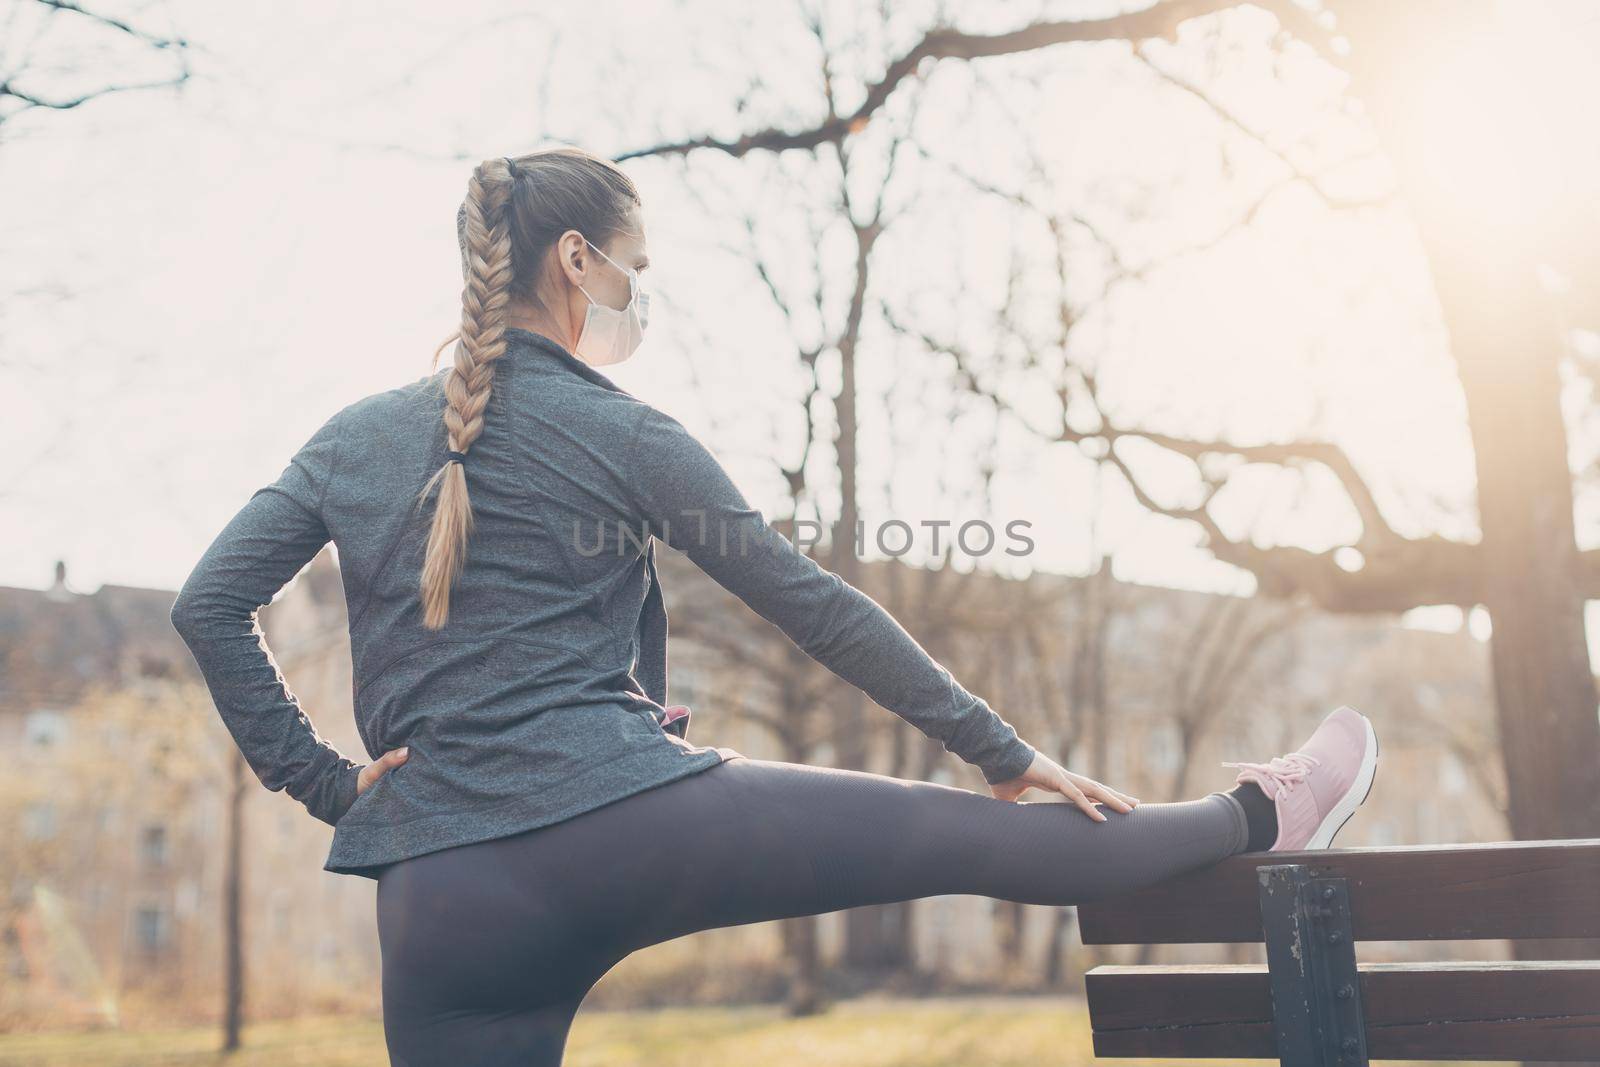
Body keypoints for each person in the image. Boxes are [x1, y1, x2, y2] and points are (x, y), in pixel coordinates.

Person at [168, 146, 1381, 1067]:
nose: (639, 295)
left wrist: (330, 785)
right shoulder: (622, 431)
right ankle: (1260, 809)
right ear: (576, 261)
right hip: (622, 823)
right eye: (635, 270)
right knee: (986, 838)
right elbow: (813, 605)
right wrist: (1000, 752)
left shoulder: (351, 439)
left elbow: (211, 606)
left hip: (436, 893)